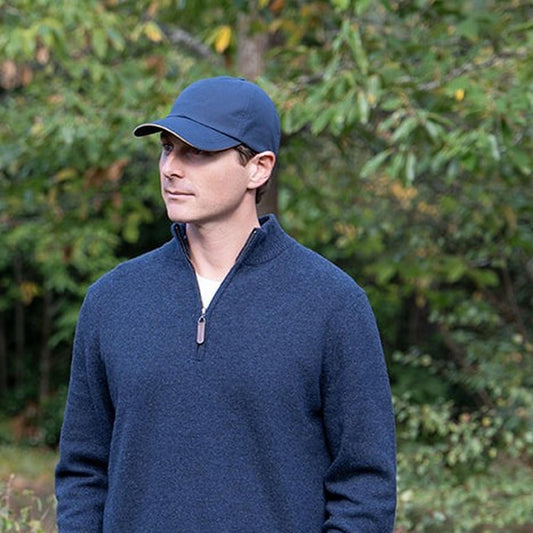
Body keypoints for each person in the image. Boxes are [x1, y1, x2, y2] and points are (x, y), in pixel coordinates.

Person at [55, 76, 396, 532]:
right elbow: (82, 471)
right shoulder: (112, 300)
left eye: (197, 152)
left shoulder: (332, 304)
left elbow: (365, 486)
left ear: (259, 168)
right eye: (167, 149)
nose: (171, 168)